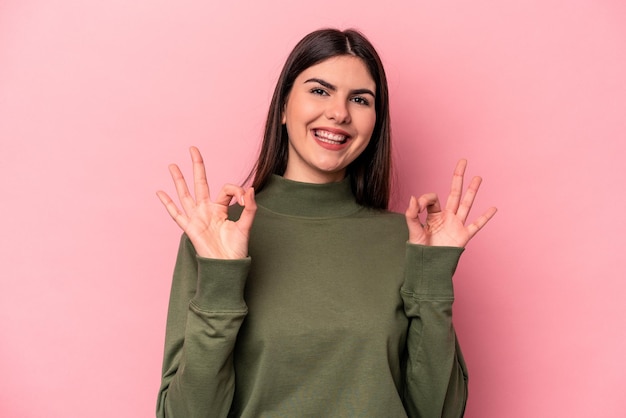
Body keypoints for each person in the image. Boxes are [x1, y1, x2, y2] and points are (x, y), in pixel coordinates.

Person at [155, 28, 496, 418]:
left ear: (375, 121)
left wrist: (432, 278)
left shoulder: (409, 240)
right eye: (320, 90)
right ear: (283, 108)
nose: (339, 112)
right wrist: (221, 278)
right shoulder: (218, 234)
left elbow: (439, 412)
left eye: (360, 99)